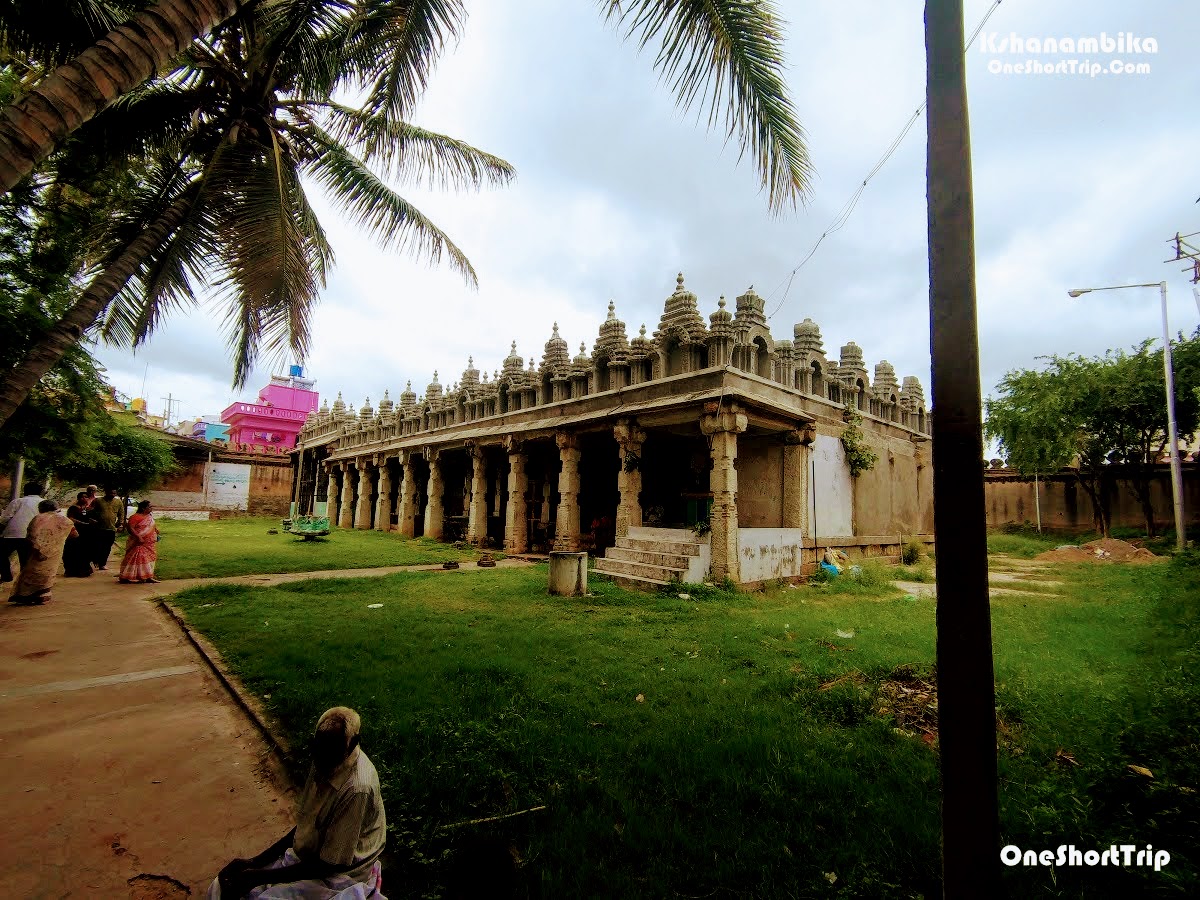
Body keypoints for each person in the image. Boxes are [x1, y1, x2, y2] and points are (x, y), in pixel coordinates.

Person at [209, 707, 387, 899]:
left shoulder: (356, 789)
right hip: (314, 857)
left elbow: (329, 864)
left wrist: (257, 876)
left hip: (342, 872)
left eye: (330, 754)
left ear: (352, 745)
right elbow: (306, 825)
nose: (321, 761)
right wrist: (254, 862)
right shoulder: (324, 757)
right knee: (221, 886)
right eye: (318, 750)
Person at [9, 500, 77, 604]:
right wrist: (58, 539)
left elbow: (31, 535)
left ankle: (26, 595)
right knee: (48, 572)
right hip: (54, 551)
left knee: (32, 571)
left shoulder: (38, 518)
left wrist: (39, 546)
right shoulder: (64, 520)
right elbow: (74, 534)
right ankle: (42, 595)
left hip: (36, 550)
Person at [0, 484, 43, 583]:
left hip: (13, 534)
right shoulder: (44, 503)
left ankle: (6, 575)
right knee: (26, 560)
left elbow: (5, 518)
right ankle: (24, 582)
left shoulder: (18, 501)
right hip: (33, 534)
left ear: (25, 491)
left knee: (1, 554)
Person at [119, 500, 160, 584]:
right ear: (143, 508)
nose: (151, 508)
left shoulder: (149, 516)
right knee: (137, 558)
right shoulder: (135, 517)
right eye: (150, 507)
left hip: (149, 543)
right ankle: (126, 576)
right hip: (138, 542)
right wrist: (138, 537)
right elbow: (130, 528)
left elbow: (151, 526)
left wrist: (156, 530)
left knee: (149, 558)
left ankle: (148, 576)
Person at [90, 486, 125, 570]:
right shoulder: (98, 501)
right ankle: (95, 560)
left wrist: (120, 524)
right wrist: (92, 520)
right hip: (99, 528)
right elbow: (91, 511)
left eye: (114, 493)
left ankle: (102, 563)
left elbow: (121, 514)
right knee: (97, 546)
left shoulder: (118, 502)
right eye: (111, 493)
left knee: (107, 547)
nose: (112, 495)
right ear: (106, 492)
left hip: (111, 528)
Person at [63, 491, 94, 577]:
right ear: (78, 498)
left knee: (84, 551)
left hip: (86, 533)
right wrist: (83, 523)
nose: (84, 498)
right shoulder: (73, 508)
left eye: (86, 497)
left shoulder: (89, 509)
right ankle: (71, 571)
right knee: (73, 551)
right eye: (82, 497)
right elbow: (70, 518)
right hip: (75, 532)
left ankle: (83, 570)